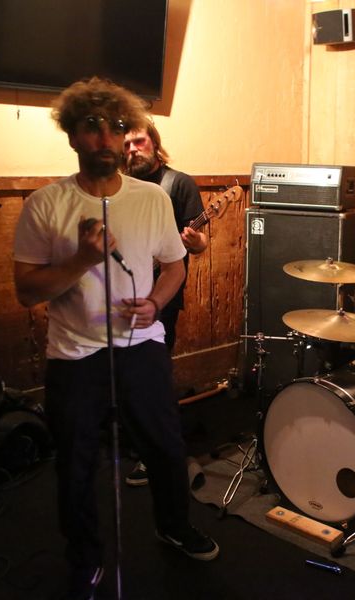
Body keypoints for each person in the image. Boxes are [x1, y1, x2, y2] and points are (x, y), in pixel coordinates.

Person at [12, 77, 219, 600]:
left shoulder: (153, 199)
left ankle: (174, 526)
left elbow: (174, 265)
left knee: (166, 448)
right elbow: (27, 291)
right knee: (76, 462)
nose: (107, 137)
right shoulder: (45, 205)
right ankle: (84, 557)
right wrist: (83, 259)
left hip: (141, 345)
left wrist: (156, 303)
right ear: (72, 135)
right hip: (74, 352)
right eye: (93, 126)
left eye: (117, 126)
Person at [122, 122, 208, 487]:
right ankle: (137, 438)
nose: (132, 149)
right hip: (124, 293)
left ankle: (156, 454)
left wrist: (196, 242)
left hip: (162, 295)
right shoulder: (119, 186)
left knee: (153, 372)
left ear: (154, 144)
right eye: (126, 144)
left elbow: (200, 242)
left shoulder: (178, 184)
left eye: (139, 141)